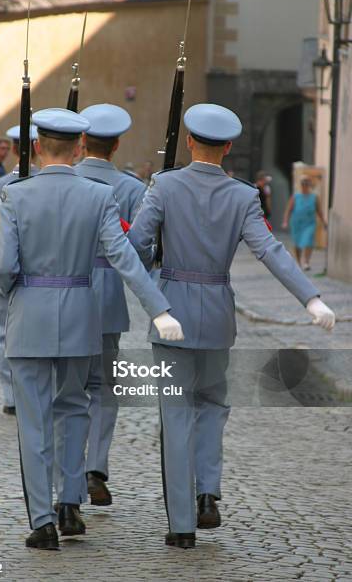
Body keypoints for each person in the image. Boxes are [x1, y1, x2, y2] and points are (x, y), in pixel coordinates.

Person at [128, 103, 336, 549]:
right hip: (218, 314)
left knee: (177, 414)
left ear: (188, 142)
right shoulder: (243, 195)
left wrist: (151, 272)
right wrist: (311, 298)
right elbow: (271, 251)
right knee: (212, 408)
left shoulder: (163, 186)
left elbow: (136, 247)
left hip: (172, 307)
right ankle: (208, 492)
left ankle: (182, 526)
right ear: (228, 147)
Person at [0, 108, 183, 550]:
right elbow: (126, 259)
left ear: (36, 147)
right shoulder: (98, 195)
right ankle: (70, 503)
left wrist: (14, 291)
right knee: (75, 409)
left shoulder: (16, 195)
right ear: (78, 149)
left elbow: (2, 267)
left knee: (34, 423)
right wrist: (159, 309)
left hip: (30, 316)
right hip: (81, 313)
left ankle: (42, 522)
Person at [74, 103, 146, 507]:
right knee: (104, 388)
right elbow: (139, 250)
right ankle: (95, 467)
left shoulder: (64, 181)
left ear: (82, 141)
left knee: (64, 390)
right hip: (109, 299)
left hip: (64, 294)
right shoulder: (133, 189)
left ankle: (67, 475)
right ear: (117, 144)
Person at [0, 125, 39, 415]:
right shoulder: (50, 183)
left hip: (8, 274)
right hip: (45, 275)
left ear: (15, 149)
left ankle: (12, 396)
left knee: (5, 335)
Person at [282, 176, 327, 270]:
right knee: (297, 244)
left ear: (309, 185)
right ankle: (298, 262)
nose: (304, 186)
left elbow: (319, 211)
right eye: (303, 184)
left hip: (309, 223)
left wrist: (324, 221)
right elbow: (288, 210)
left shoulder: (315, 197)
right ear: (301, 185)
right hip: (296, 223)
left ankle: (306, 262)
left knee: (308, 241)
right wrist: (285, 221)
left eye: (306, 184)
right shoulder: (296, 196)